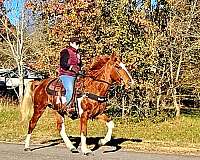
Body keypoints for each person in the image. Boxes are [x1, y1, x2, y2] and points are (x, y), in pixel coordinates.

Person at [59, 37, 82, 105]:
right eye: (76, 43)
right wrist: (71, 67)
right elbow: (62, 63)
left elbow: (80, 65)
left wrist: (80, 70)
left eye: (79, 44)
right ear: (71, 43)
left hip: (76, 75)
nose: (78, 45)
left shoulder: (78, 54)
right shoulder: (65, 51)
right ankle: (67, 107)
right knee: (70, 90)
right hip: (66, 75)